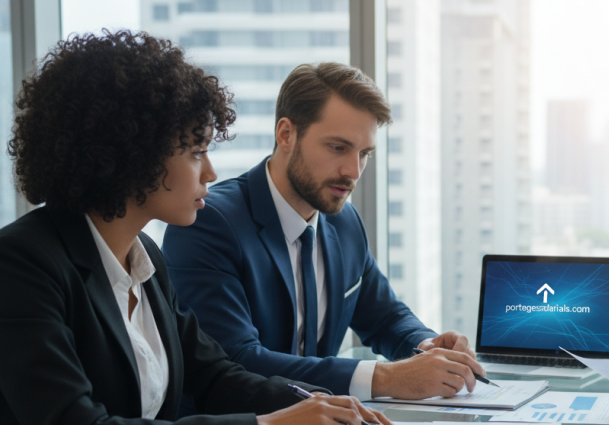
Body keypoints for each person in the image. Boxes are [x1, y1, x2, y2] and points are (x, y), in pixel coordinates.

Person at [0, 31, 398, 425]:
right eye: (194, 151)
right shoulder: (23, 264)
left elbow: (213, 375)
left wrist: (311, 402)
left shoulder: (147, 263)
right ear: (132, 155)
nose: (210, 171)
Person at [162, 62, 485, 407]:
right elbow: (236, 361)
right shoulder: (209, 223)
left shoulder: (344, 222)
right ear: (286, 134)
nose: (352, 171)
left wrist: (427, 347)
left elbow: (385, 317)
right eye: (337, 148)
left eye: (364, 154)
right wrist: (387, 377)